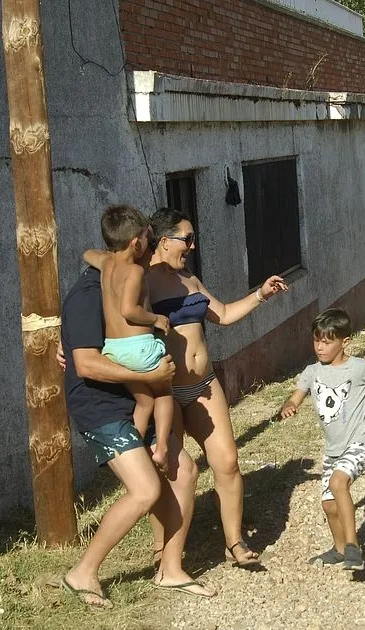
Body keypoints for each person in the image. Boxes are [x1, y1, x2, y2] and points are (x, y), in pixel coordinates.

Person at [60, 242, 214, 603]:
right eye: (148, 243)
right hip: (100, 405)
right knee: (146, 490)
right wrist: (151, 372)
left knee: (185, 471)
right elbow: (86, 365)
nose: (153, 252)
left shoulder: (120, 275)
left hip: (133, 396)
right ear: (134, 247)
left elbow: (87, 251)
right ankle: (82, 573)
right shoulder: (86, 296)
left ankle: (171, 570)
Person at [146, 207, 288, 569]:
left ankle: (235, 542)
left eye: (193, 239)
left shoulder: (189, 278)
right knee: (171, 472)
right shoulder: (142, 280)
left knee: (227, 462)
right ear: (163, 241)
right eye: (186, 239)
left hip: (204, 385)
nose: (192, 246)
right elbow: (114, 319)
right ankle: (163, 548)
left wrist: (260, 295)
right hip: (165, 393)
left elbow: (222, 314)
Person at [279, 308, 365, 571]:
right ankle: (339, 549)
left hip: (360, 444)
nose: (320, 347)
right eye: (317, 341)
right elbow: (297, 394)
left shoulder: (358, 368)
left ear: (345, 342)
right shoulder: (312, 371)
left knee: (340, 484)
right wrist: (289, 405)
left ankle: (353, 547)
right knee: (329, 505)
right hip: (333, 451)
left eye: (327, 342)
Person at [82, 205, 174, 474]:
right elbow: (129, 310)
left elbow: (87, 253)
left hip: (114, 350)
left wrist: (102, 253)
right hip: (139, 348)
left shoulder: (106, 263)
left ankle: (135, 449)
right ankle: (162, 448)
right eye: (147, 237)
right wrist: (156, 319)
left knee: (144, 400)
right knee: (164, 391)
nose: (150, 242)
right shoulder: (134, 272)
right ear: (135, 243)